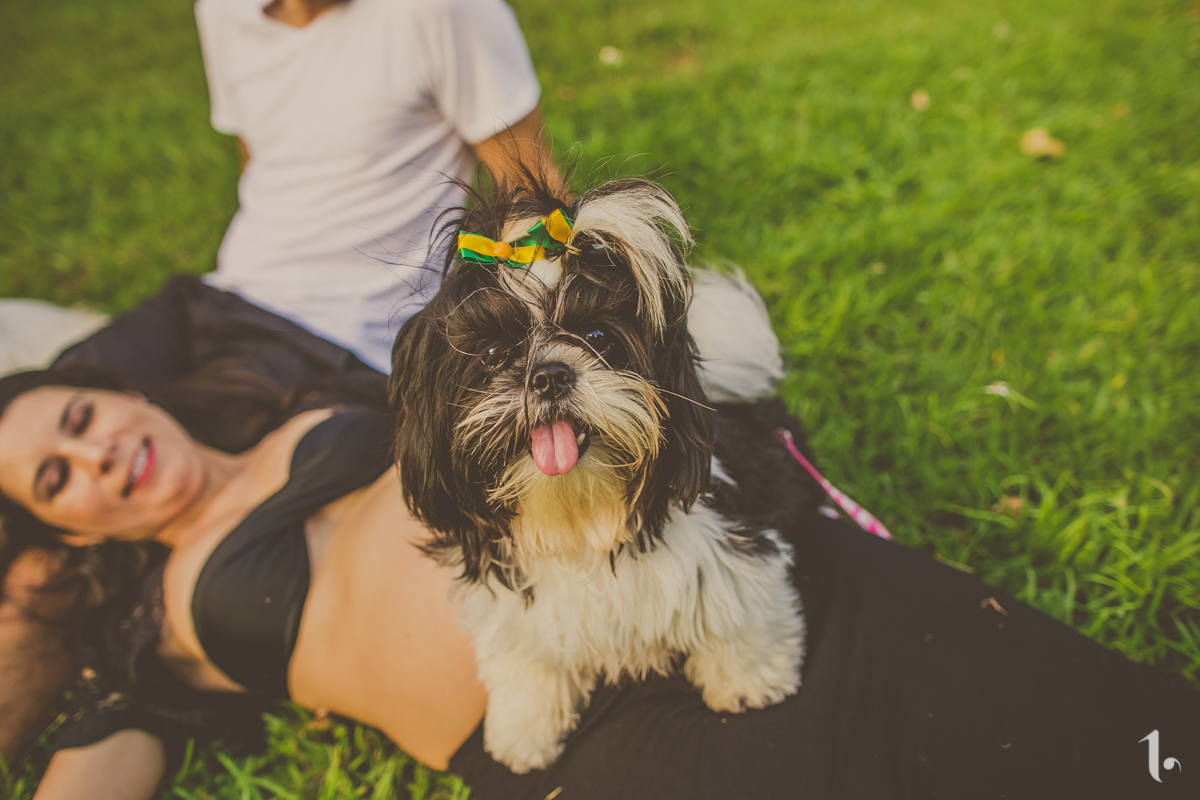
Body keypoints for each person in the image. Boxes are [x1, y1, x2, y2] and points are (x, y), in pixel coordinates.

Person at [0, 366, 1197, 800]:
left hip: (685, 567)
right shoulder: (151, 624)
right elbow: (97, 758)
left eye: (83, 415)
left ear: (124, 385)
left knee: (1089, 722)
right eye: (60, 476)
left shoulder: (295, 390)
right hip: (566, 742)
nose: (97, 455)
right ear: (62, 523)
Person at [1, 0, 565, 763]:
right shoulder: (223, 10)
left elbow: (535, 191)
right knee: (28, 444)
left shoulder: (436, 9)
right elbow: (261, 162)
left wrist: (544, 326)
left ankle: (88, 661)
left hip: (332, 347)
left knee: (46, 563)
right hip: (214, 300)